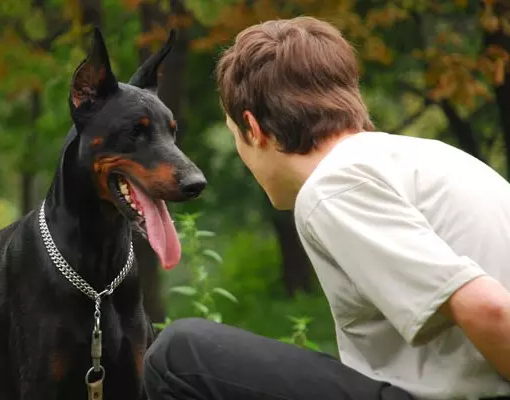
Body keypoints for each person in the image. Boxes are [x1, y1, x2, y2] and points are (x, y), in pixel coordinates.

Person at [142, 16, 510, 400]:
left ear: (252, 128)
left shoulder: (334, 187)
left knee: (178, 356)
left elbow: (490, 308)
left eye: (236, 135)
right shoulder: (432, 158)